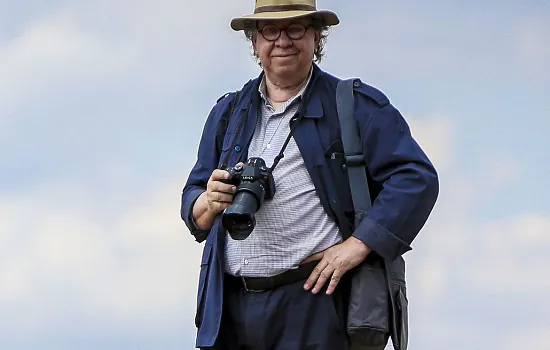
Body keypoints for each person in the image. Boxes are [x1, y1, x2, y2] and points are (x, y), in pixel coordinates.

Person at [180, 1, 439, 349]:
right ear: (254, 42)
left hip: (314, 304)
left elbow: (416, 178)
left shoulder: (354, 105)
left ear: (317, 37)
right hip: (229, 309)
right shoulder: (228, 113)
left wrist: (359, 244)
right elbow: (194, 202)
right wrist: (209, 203)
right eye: (270, 30)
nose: (282, 40)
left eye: (296, 28)